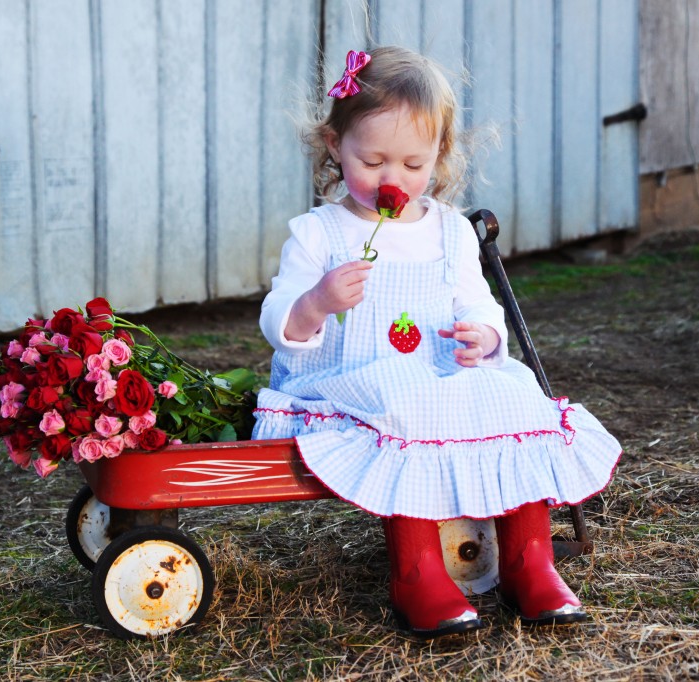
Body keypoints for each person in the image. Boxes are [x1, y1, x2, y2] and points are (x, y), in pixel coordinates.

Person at [252, 46, 622, 639]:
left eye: (412, 163)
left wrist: (485, 334)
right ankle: (417, 573)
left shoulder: (449, 231)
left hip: (439, 371)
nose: (391, 179)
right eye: (371, 161)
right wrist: (316, 302)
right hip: (351, 382)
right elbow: (280, 321)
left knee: (516, 395)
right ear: (333, 146)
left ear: (439, 156)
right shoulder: (320, 233)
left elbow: (478, 303)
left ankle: (531, 562)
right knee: (406, 401)